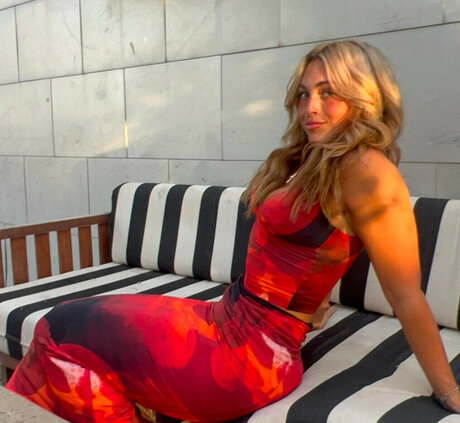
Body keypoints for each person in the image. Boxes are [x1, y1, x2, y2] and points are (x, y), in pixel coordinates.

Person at [6, 40, 460, 422]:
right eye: (304, 94)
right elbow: (310, 251)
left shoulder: (369, 171)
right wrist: (310, 300)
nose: (310, 107)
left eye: (329, 93)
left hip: (250, 358)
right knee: (63, 323)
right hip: (226, 319)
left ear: (365, 97)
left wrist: (448, 391)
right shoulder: (314, 158)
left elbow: (405, 295)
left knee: (60, 335)